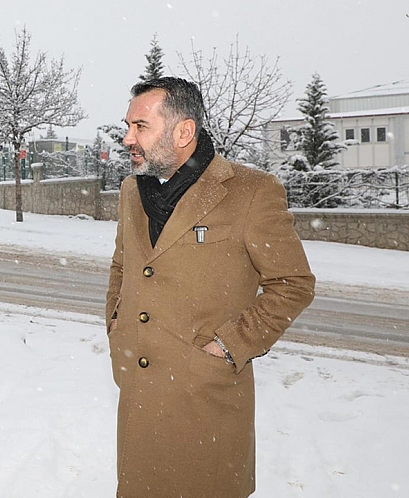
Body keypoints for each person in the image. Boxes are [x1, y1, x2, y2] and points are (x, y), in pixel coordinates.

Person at [105, 77, 316, 498]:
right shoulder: (133, 191)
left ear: (184, 131)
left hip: (206, 398)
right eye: (128, 125)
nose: (127, 137)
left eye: (140, 127)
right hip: (139, 394)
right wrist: (117, 323)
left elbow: (292, 284)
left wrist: (228, 345)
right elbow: (123, 265)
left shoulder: (250, 192)